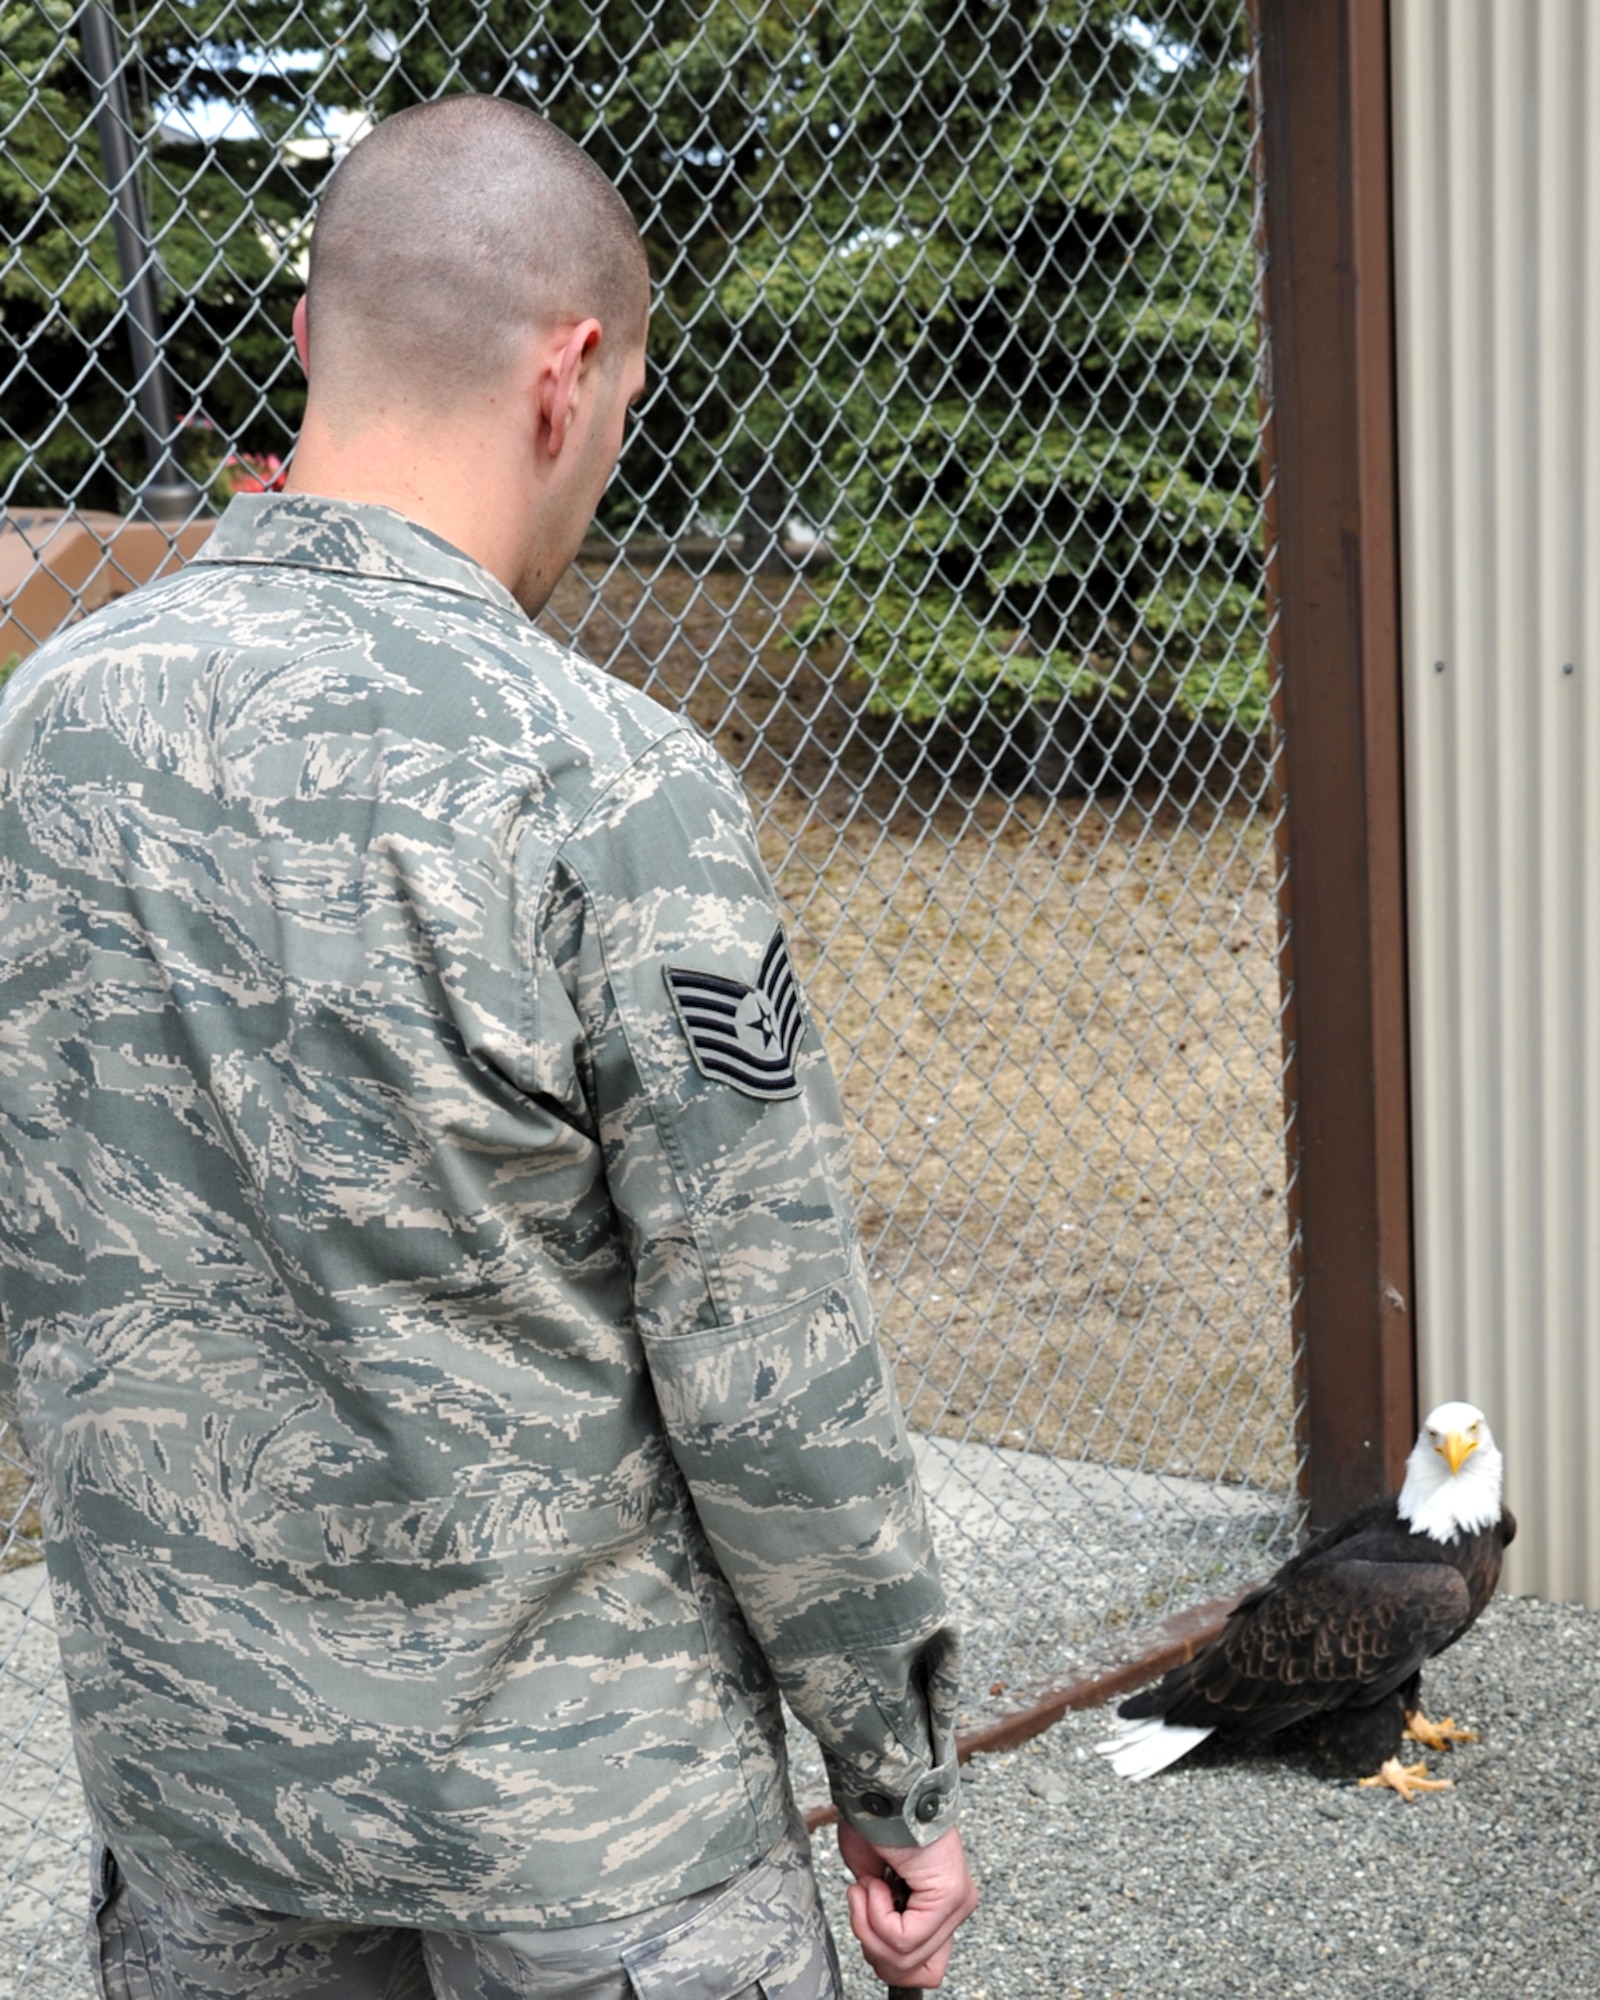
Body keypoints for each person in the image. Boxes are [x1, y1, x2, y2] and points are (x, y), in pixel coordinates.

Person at [0, 95, 977, 1999]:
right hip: (590, 1837)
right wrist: (894, 1767)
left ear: (305, 342)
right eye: (617, 422)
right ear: (571, 373)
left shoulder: (38, 734)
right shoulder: (609, 784)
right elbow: (767, 1358)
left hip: (210, 1809)